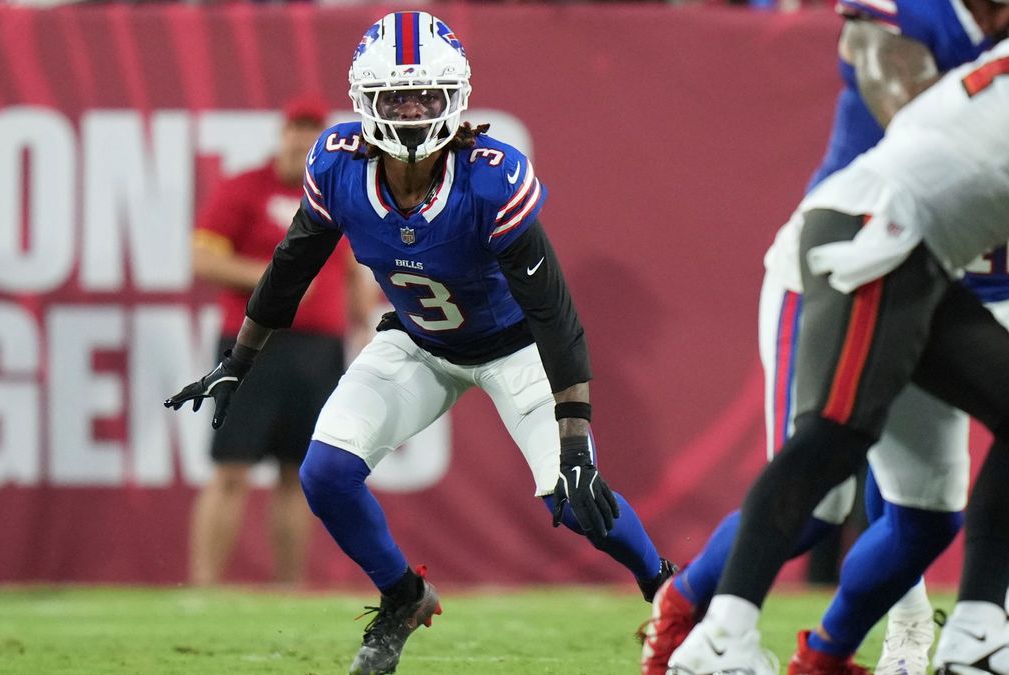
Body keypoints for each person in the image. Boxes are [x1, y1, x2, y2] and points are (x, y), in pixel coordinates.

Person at [166, 11, 675, 675]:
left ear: (454, 99)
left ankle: (670, 592)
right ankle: (403, 596)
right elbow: (291, 268)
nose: (410, 112)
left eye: (425, 97)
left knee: (572, 497)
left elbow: (554, 312)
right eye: (396, 97)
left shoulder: (489, 178)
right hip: (418, 342)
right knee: (325, 473)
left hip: (514, 347)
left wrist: (575, 438)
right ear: (365, 102)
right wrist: (239, 359)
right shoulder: (339, 166)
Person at [641, 0, 1009, 671]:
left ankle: (840, 653)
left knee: (926, 519)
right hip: (865, 241)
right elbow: (898, 99)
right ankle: (705, 621)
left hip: (940, 270)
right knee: (829, 467)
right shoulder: (906, 19)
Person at [186, 96, 376, 586]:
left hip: (318, 349)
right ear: (283, 134)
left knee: (298, 472)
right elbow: (203, 258)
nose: (304, 139)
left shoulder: (337, 194)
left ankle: (289, 588)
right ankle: (203, 588)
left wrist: (362, 313)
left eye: (314, 131)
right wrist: (273, 279)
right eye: (298, 129)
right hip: (253, 344)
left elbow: (352, 261)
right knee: (232, 467)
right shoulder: (245, 188)